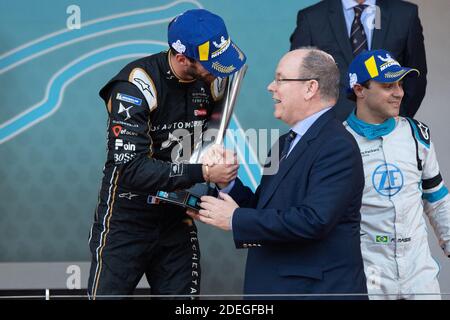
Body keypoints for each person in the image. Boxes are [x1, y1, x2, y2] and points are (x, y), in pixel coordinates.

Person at [87, 9, 246, 299]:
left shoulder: (212, 81)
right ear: (182, 57)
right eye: (211, 63)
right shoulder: (134, 85)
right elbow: (132, 170)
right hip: (127, 220)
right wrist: (204, 173)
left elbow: (208, 142)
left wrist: (213, 168)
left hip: (177, 217)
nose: (219, 70)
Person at [188, 48, 368, 300]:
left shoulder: (337, 145)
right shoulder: (284, 143)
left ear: (310, 88)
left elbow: (313, 221)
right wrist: (225, 182)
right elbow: (265, 209)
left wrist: (235, 219)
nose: (271, 87)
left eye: (281, 79)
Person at [344, 49, 450, 299]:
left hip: (419, 275)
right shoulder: (339, 141)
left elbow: (436, 197)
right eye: (388, 85)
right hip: (368, 275)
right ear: (360, 90)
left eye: (400, 84)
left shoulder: (416, 134)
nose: (399, 93)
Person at [290, 0, 427, 120]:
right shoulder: (312, 17)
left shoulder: (405, 14)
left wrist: (398, 116)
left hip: (388, 129)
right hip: (329, 131)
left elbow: (416, 78)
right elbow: (298, 77)